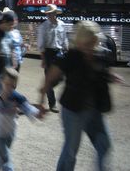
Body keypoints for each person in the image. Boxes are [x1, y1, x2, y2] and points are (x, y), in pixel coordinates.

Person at [39, 20, 121, 171]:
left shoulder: (100, 54)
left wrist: (110, 76)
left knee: (104, 145)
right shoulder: (69, 57)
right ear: (80, 41)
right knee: (70, 152)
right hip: (73, 111)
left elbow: (102, 73)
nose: (91, 46)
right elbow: (49, 80)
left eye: (93, 42)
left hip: (95, 110)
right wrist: (41, 103)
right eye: (87, 43)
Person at [0, 68, 42, 171]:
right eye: (7, 84)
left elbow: (27, 107)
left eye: (12, 85)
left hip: (11, 133)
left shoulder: (17, 98)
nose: (9, 87)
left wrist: (36, 113)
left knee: (2, 153)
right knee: (6, 158)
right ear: (2, 81)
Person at [37, 4, 68, 113]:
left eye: (52, 13)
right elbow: (41, 44)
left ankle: (47, 89)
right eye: (48, 14)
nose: (50, 15)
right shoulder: (43, 26)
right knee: (49, 79)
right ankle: (52, 103)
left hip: (60, 53)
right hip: (48, 54)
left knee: (62, 77)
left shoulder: (62, 24)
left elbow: (64, 39)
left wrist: (66, 51)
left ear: (55, 13)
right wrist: (43, 59)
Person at [1, 7, 28, 72]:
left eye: (15, 19)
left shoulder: (16, 32)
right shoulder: (4, 32)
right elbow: (7, 48)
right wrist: (13, 60)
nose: (15, 21)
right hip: (9, 60)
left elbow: (19, 43)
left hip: (18, 58)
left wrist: (24, 45)